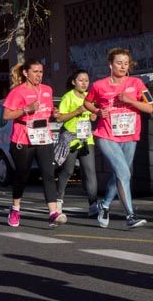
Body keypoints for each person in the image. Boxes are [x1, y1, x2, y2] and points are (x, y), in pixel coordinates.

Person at [85, 49, 152, 229]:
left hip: (130, 136)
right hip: (106, 134)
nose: (123, 66)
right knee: (124, 173)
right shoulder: (99, 85)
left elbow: (151, 107)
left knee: (119, 174)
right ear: (110, 65)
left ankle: (105, 205)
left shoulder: (137, 83)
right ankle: (130, 216)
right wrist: (98, 111)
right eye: (119, 63)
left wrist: (131, 101)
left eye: (126, 63)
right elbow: (87, 102)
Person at [1, 59, 65, 228]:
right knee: (22, 175)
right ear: (25, 73)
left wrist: (54, 113)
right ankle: (15, 208)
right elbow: (6, 115)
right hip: (23, 137)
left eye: (41, 72)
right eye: (35, 72)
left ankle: (53, 212)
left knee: (48, 174)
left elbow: (49, 111)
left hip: (44, 136)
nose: (38, 75)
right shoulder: (17, 92)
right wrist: (25, 110)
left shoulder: (47, 90)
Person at [53, 69, 99, 219]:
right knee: (68, 171)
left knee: (90, 172)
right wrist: (77, 111)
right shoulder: (68, 97)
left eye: (86, 80)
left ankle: (93, 205)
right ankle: (58, 202)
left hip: (86, 139)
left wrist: (93, 116)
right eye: (81, 80)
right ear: (74, 82)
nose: (84, 83)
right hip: (70, 139)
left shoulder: (89, 97)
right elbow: (59, 119)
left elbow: (93, 114)